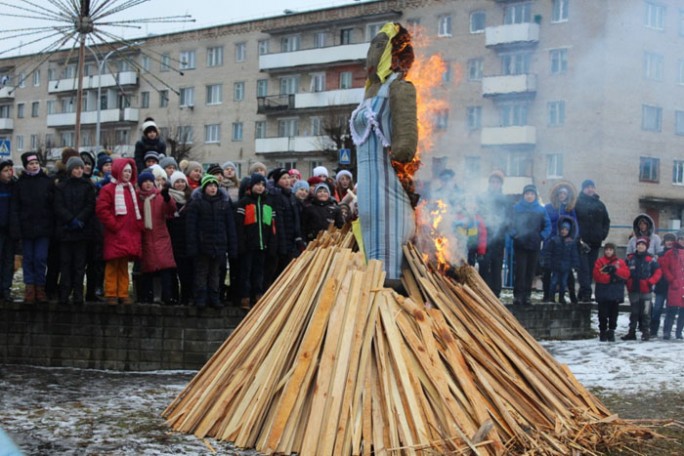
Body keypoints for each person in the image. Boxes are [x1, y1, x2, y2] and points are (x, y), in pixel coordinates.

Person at [350, 22, 417, 285]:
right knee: (368, 262)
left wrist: (396, 156)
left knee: (387, 271)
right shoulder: (368, 92)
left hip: (388, 191)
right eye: (372, 46)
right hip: (367, 192)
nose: (372, 53)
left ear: (393, 51)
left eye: (379, 46)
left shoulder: (399, 88)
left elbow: (406, 146)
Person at [95, 158, 144, 305]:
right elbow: (102, 210)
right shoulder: (108, 189)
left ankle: (122, 293)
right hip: (115, 233)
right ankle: (111, 293)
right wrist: (114, 225)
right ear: (118, 171)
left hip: (129, 233)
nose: (128, 174)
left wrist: (138, 225)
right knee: (112, 265)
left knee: (123, 266)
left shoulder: (131, 190)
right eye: (125, 171)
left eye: (130, 171)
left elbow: (136, 211)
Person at [186, 174, 238, 309]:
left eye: (215, 186)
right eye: (209, 186)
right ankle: (201, 298)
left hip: (219, 245)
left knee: (215, 273)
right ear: (204, 188)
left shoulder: (224, 204)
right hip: (202, 245)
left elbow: (230, 227)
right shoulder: (196, 203)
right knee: (201, 272)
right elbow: (191, 227)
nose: (213, 188)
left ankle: (214, 297)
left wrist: (231, 246)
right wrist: (193, 246)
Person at [11, 151, 55, 304]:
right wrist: (17, 228)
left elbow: (52, 205)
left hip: (44, 227)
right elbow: (16, 207)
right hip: (27, 228)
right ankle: (29, 287)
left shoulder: (47, 182)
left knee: (40, 258)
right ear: (26, 166)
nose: (34, 165)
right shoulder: (20, 184)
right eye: (31, 163)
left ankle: (40, 287)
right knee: (28, 258)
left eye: (36, 163)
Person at [53, 157, 96, 305]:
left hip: (82, 232)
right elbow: (58, 206)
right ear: (70, 169)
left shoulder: (88, 186)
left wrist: (80, 220)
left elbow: (90, 205)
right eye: (76, 168)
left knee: (79, 265)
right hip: (66, 231)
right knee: (65, 264)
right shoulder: (61, 186)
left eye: (80, 168)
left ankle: (78, 294)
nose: (78, 171)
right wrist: (70, 220)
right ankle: (64, 294)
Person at [236, 173, 276, 310]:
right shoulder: (244, 203)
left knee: (259, 271)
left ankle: (258, 295)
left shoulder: (268, 203)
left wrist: (271, 243)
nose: (260, 187)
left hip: (262, 244)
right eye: (257, 184)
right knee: (246, 271)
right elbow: (239, 226)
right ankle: (245, 297)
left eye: (262, 185)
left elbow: (272, 226)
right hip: (248, 245)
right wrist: (241, 243)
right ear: (251, 186)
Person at [136, 171, 177, 305]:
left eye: (149, 181)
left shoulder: (160, 196)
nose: (148, 184)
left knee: (165, 268)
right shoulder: (137, 198)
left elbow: (171, 211)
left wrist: (167, 198)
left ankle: (167, 296)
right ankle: (147, 297)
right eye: (144, 181)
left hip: (161, 237)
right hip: (145, 237)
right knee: (147, 269)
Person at [509, 184, 551, 306]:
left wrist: (541, 236)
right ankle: (518, 296)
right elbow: (510, 224)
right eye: (527, 194)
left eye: (532, 194)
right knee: (520, 271)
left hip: (534, 244)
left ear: (535, 195)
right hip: (520, 244)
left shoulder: (541, 210)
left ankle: (527, 296)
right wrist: (514, 235)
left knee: (530, 271)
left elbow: (547, 226)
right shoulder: (516, 208)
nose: (529, 196)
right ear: (524, 195)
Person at [266, 167, 304, 288]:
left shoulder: (291, 195)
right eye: (284, 178)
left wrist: (298, 236)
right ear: (277, 181)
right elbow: (278, 221)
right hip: (280, 241)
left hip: (291, 239)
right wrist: (280, 242)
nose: (287, 181)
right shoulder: (274, 196)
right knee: (277, 271)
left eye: (288, 177)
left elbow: (296, 218)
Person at [574, 179, 610, 302]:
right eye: (588, 187)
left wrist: (602, 235)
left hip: (595, 242)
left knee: (590, 269)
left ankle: (582, 293)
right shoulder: (577, 203)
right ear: (583, 189)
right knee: (583, 269)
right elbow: (574, 221)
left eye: (592, 187)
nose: (590, 189)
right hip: (581, 242)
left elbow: (606, 221)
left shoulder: (600, 205)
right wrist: (577, 237)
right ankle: (587, 293)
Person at [542, 182, 579, 303]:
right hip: (551, 242)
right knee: (548, 271)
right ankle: (547, 294)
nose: (562, 195)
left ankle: (571, 295)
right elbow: (544, 222)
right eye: (560, 193)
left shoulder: (569, 209)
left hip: (565, 244)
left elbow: (575, 225)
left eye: (565, 193)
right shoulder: (548, 207)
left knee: (566, 272)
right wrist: (546, 237)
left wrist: (572, 238)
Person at [477, 170, 510, 298]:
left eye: (497, 182)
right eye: (492, 182)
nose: (494, 184)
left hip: (499, 238)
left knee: (497, 266)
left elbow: (509, 218)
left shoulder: (505, 200)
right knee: (484, 265)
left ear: (501, 184)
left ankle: (496, 292)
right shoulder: (482, 198)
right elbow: (478, 215)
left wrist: (505, 229)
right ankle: (482, 291)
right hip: (485, 237)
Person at [622, 237, 661, 341]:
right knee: (634, 312)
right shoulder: (630, 258)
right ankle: (631, 332)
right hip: (633, 289)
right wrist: (627, 281)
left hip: (646, 290)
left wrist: (650, 282)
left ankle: (645, 332)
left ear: (646, 246)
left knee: (646, 312)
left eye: (643, 245)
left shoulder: (651, 259)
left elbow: (658, 272)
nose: (640, 246)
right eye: (639, 244)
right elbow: (623, 271)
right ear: (636, 246)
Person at [593, 242, 629, 342]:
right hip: (603, 292)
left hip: (615, 293)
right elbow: (597, 275)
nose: (608, 251)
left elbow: (625, 274)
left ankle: (611, 331)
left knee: (614, 314)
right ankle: (603, 331)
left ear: (614, 251)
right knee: (602, 314)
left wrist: (615, 272)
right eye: (607, 249)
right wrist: (610, 278)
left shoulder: (620, 262)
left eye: (610, 250)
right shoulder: (600, 261)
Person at [166, 171, 193, 305]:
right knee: (172, 272)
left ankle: (186, 297)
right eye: (177, 182)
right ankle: (173, 297)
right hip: (171, 239)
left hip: (187, 240)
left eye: (182, 181)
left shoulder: (191, 199)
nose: (180, 184)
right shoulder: (168, 198)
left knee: (186, 272)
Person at [542, 217, 580, 304]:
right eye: (562, 229)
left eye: (566, 230)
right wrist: (548, 262)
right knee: (554, 282)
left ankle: (561, 297)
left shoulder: (571, 242)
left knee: (563, 283)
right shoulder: (554, 240)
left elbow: (574, 255)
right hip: (556, 265)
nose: (564, 231)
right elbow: (548, 252)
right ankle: (551, 297)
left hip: (566, 267)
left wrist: (575, 265)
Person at [659, 231, 684, 340]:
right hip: (675, 285)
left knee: (683, 312)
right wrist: (672, 280)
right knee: (671, 310)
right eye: (681, 239)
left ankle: (679, 332)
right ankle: (667, 331)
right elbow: (665, 268)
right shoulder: (670, 253)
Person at [652, 232, 675, 337]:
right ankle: (653, 330)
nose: (669, 242)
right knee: (657, 309)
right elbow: (656, 270)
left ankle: (667, 331)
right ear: (664, 242)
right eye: (667, 240)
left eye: (671, 240)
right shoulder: (660, 255)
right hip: (660, 286)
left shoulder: (677, 254)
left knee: (670, 310)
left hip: (672, 287)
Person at [0, 159, 15, 302]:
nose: (9, 173)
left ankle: (5, 288)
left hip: (10, 230)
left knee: (8, 261)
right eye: (5, 170)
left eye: (10, 170)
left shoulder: (14, 187)